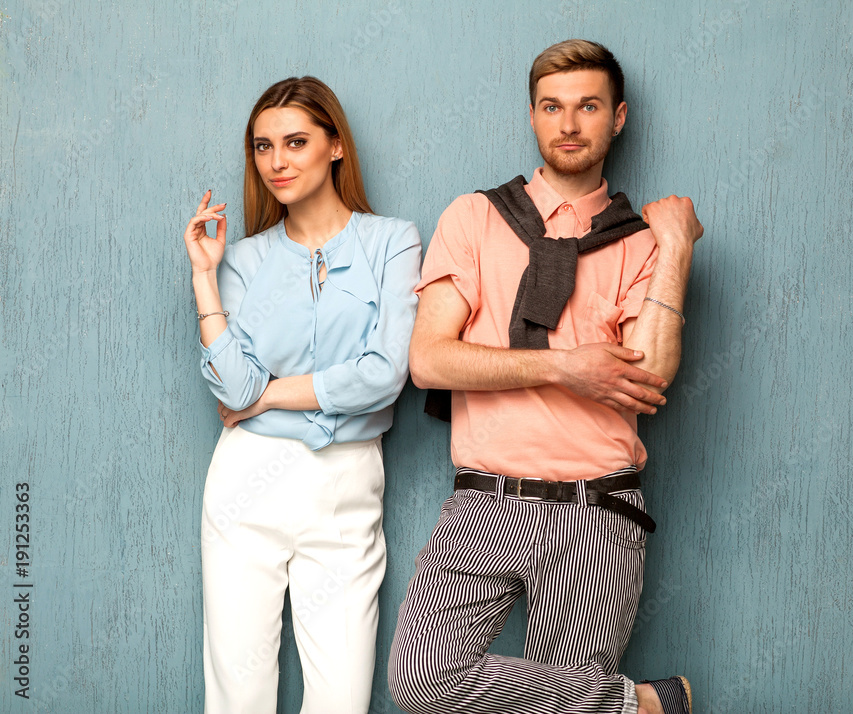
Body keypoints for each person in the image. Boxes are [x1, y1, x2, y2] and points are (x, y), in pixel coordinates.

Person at [387, 40, 703, 714]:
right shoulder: (473, 218)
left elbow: (650, 374)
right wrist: (566, 367)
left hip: (597, 508)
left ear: (617, 118)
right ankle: (640, 705)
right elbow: (430, 359)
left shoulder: (639, 241)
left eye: (587, 106)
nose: (568, 124)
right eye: (552, 107)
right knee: (421, 679)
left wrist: (674, 248)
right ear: (532, 116)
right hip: (483, 503)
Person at [182, 76, 421, 714]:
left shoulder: (393, 241)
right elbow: (232, 386)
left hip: (346, 488)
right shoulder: (241, 260)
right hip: (246, 483)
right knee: (238, 695)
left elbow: (385, 375)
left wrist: (265, 396)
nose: (277, 162)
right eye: (263, 147)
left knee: (342, 698)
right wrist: (206, 278)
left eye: (295, 142)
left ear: (335, 145)